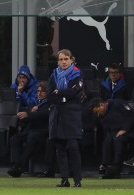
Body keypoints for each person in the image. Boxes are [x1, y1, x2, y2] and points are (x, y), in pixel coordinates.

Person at [47, 49, 84, 187]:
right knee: (60, 149)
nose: (63, 62)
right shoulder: (54, 75)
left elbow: (74, 92)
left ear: (71, 60)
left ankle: (77, 180)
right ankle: (64, 179)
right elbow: (50, 94)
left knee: (73, 147)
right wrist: (62, 97)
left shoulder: (77, 74)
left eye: (66, 59)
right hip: (56, 115)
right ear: (58, 61)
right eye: (61, 59)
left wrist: (60, 94)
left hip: (72, 115)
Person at [7, 81, 50, 177]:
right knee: (15, 138)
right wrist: (21, 116)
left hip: (43, 131)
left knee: (32, 138)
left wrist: (30, 114)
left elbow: (45, 115)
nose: (39, 93)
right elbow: (27, 116)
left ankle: (20, 166)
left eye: (42, 91)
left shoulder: (50, 104)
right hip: (30, 129)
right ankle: (15, 164)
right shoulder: (33, 103)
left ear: (47, 92)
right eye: (38, 91)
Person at [89, 97, 134, 179]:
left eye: (97, 112)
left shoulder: (118, 103)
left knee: (118, 140)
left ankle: (116, 168)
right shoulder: (102, 115)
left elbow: (131, 115)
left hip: (127, 132)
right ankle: (106, 166)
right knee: (107, 141)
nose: (98, 114)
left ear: (101, 105)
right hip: (113, 134)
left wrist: (124, 129)